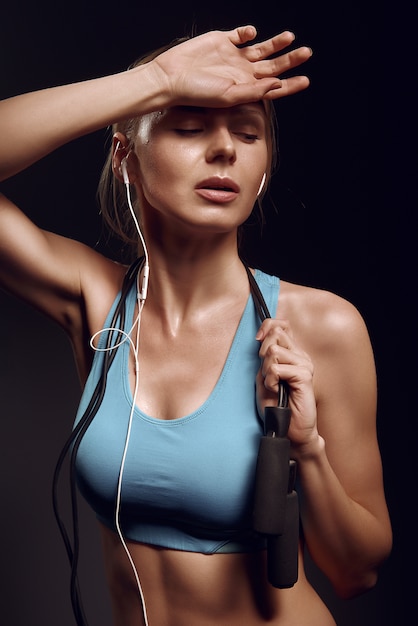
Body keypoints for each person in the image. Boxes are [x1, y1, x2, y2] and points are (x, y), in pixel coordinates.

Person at [0, 25, 392, 626]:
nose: (224, 150)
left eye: (247, 133)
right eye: (188, 126)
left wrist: (308, 449)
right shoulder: (95, 300)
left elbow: (355, 572)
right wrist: (152, 82)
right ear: (124, 158)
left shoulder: (322, 326)